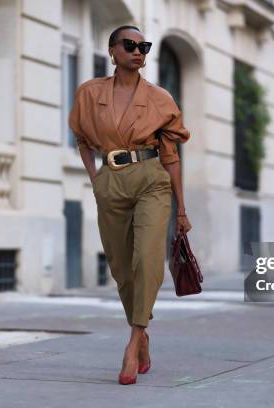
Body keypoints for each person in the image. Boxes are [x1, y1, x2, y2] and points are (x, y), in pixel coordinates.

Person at [68, 25, 192, 385]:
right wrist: (96, 180)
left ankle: (134, 340)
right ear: (112, 51)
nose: (139, 51)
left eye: (144, 46)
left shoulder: (160, 98)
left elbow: (171, 156)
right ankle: (144, 333)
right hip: (111, 181)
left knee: (148, 259)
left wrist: (181, 209)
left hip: (152, 178)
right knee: (122, 267)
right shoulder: (90, 93)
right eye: (130, 45)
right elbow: (81, 139)